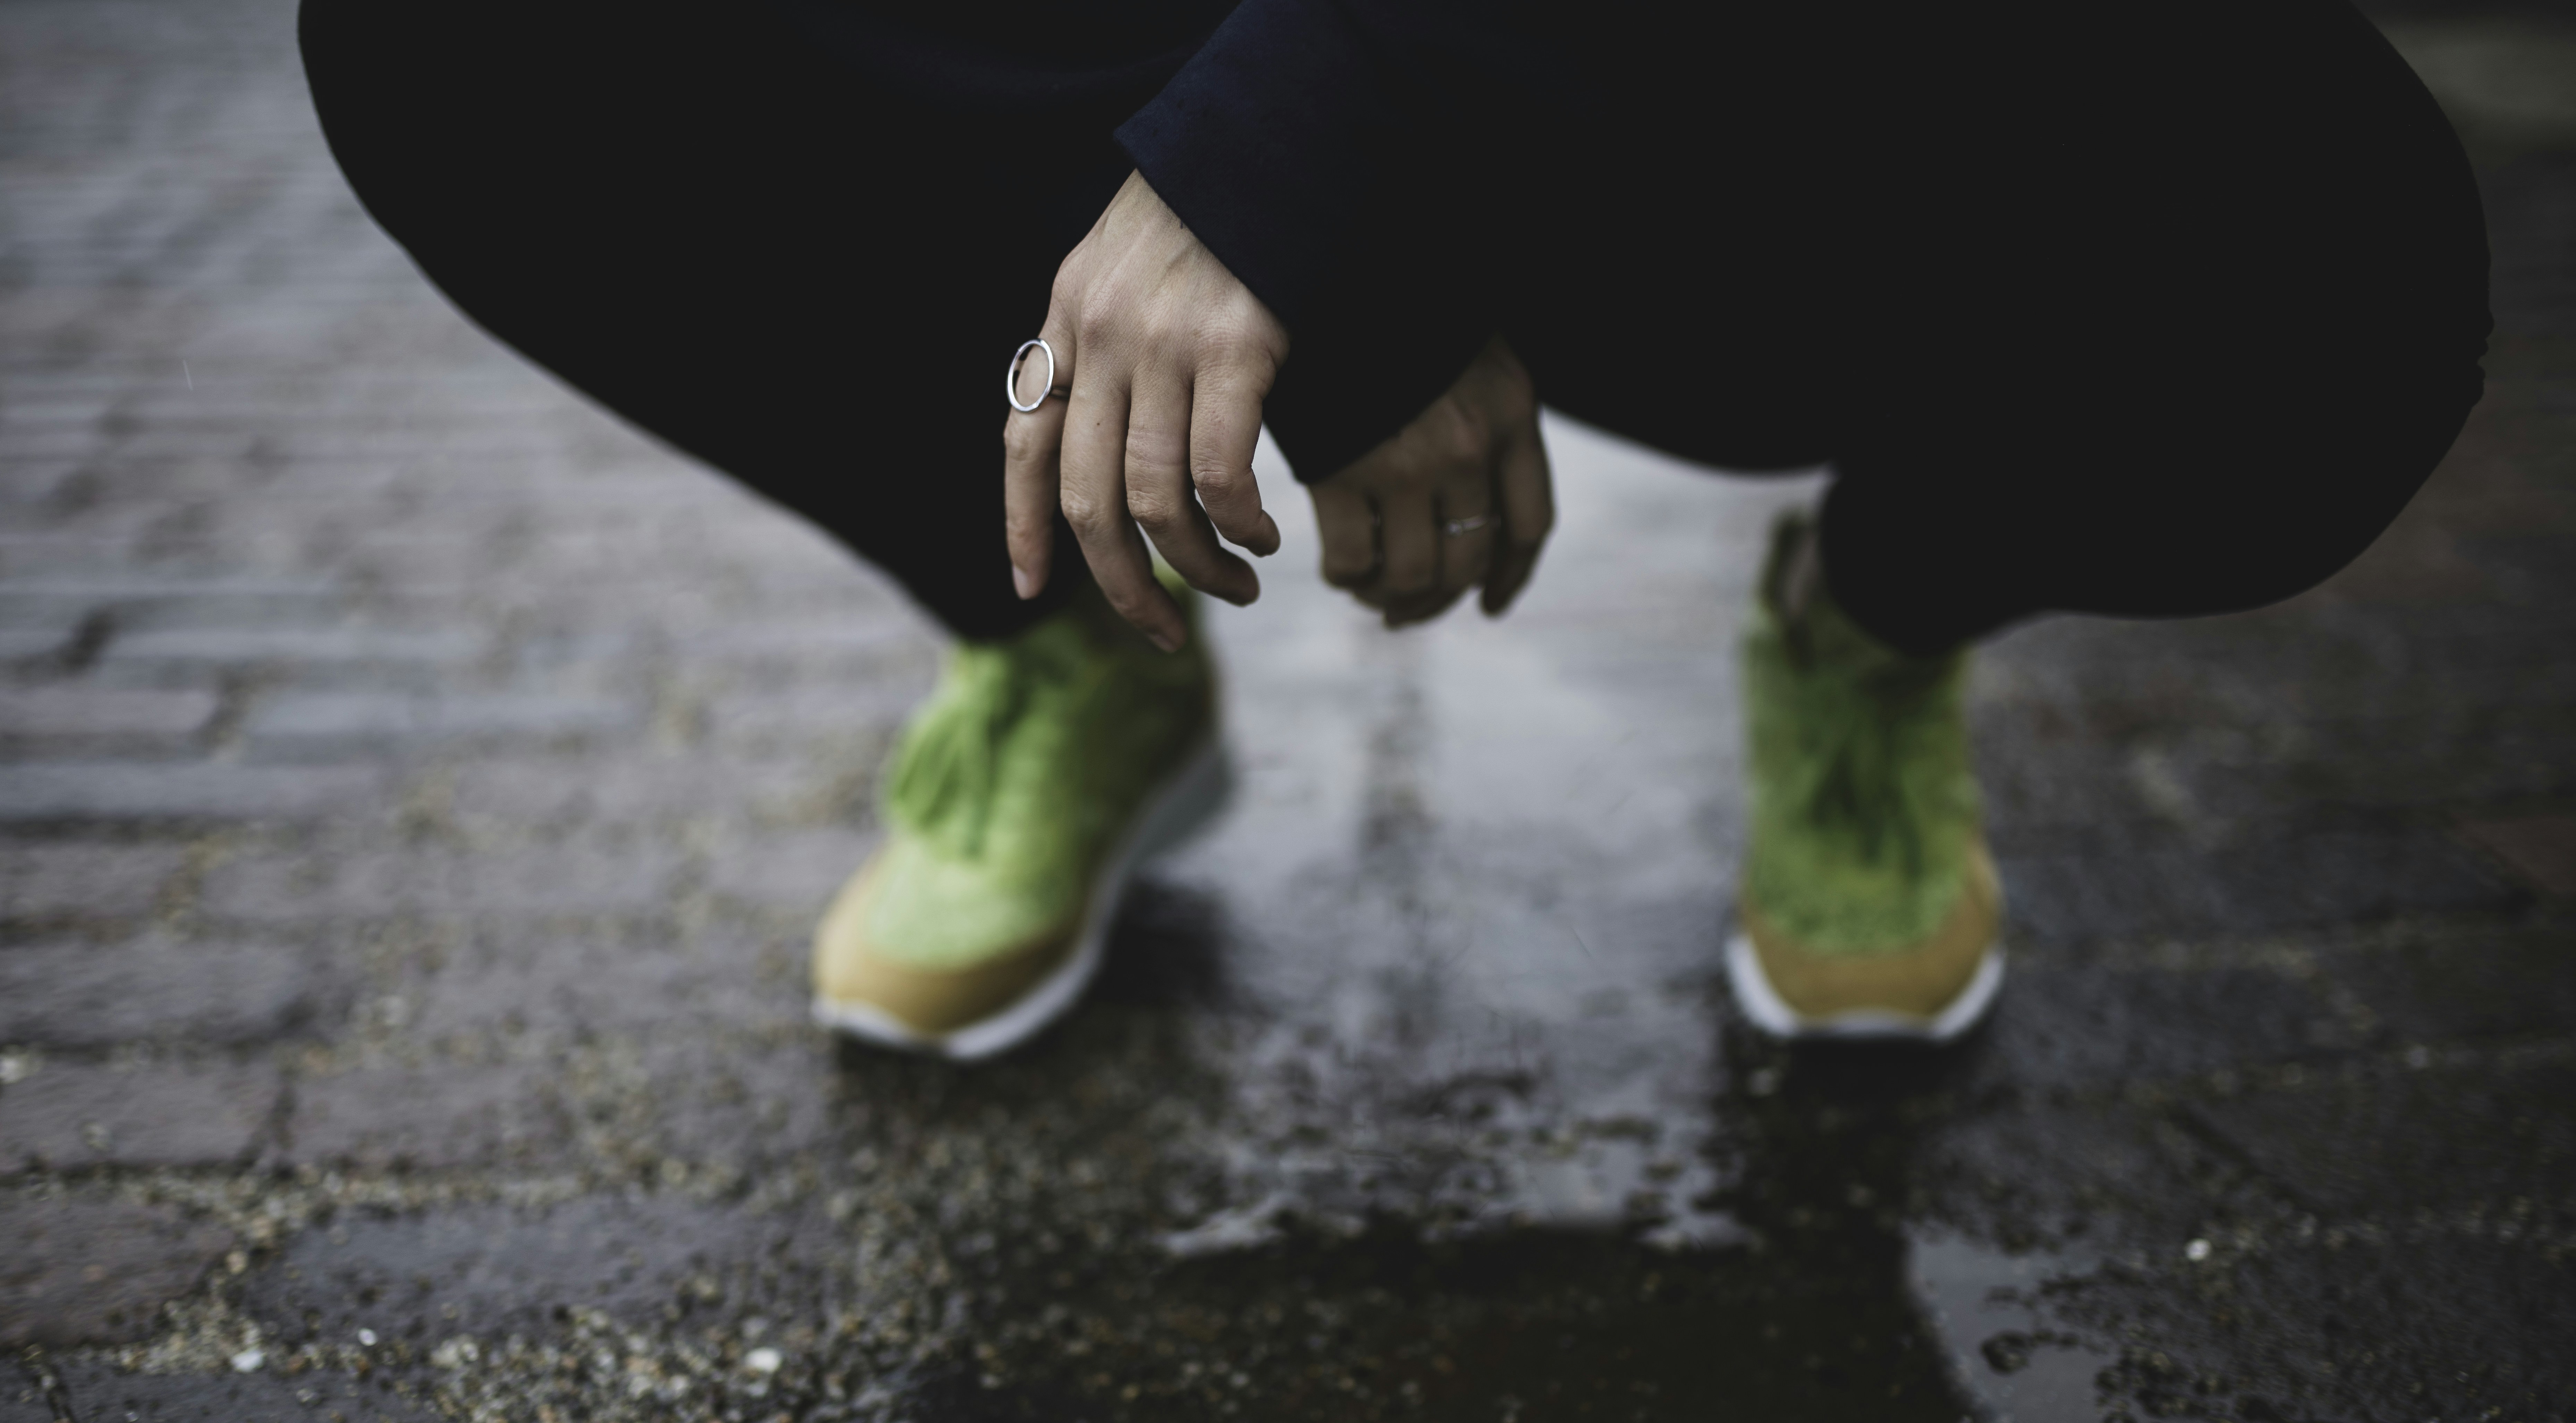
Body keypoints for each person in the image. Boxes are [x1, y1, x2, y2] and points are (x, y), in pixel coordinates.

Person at [298, 0, 2488, 1058]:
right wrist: (1273, 219)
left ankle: (1878, 617)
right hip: (1108, 62)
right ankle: (1057, 612)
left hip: (1679, 77)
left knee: (2337, 268)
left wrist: (1327, 137)